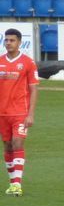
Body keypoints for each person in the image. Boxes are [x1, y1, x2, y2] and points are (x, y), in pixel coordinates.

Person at [1, 29, 38, 197]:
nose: (8, 43)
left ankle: (17, 183)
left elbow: (34, 89)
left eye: (12, 40)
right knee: (7, 146)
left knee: (18, 143)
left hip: (20, 112)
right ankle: (12, 183)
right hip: (2, 113)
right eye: (6, 40)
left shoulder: (28, 63)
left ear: (19, 42)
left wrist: (30, 114)